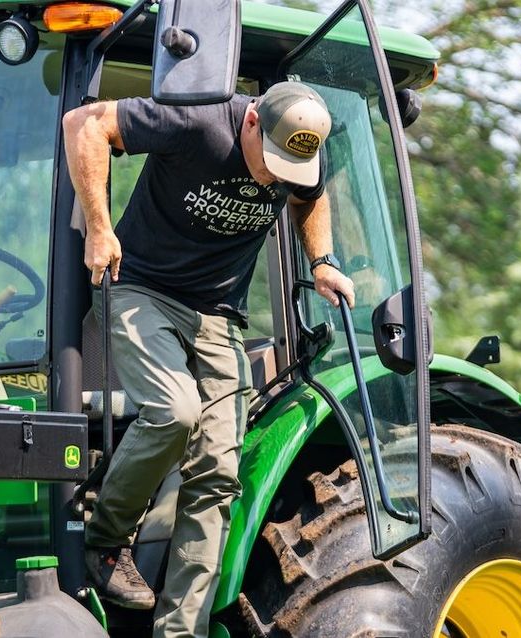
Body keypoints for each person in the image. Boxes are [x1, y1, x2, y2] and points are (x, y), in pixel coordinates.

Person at [62, 81, 355, 637]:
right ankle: (104, 541)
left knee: (220, 470)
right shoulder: (199, 121)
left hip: (219, 314)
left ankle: (180, 631)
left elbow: (310, 194)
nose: (272, 177)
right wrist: (99, 229)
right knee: (174, 411)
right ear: (249, 121)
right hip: (141, 289)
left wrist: (323, 260)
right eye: (269, 161)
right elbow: (85, 123)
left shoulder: (297, 158)